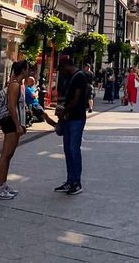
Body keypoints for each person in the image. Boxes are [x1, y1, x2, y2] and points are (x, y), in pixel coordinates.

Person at [0, 59, 29, 200]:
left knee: (9, 155)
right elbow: (12, 107)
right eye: (28, 68)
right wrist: (17, 124)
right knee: (6, 155)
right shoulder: (14, 85)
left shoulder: (19, 85)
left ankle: (3, 185)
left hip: (14, 123)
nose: (29, 70)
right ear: (23, 69)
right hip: (10, 122)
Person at [55, 57, 88, 195]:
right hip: (69, 118)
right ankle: (70, 180)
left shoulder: (79, 77)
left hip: (76, 118)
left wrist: (64, 111)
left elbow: (76, 98)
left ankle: (76, 182)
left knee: (74, 149)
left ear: (67, 66)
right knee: (68, 150)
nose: (62, 72)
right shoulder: (71, 77)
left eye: (62, 69)